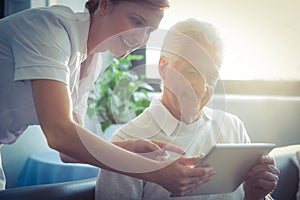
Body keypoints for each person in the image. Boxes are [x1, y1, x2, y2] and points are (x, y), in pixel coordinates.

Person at [0, 0, 209, 195]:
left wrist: (129, 149)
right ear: (105, 4)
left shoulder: (92, 62)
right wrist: (156, 171)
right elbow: (60, 134)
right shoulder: (50, 29)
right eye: (136, 21)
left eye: (150, 31)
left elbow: (70, 151)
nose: (140, 38)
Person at [95, 19, 280, 200]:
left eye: (212, 75)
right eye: (191, 72)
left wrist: (256, 197)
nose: (202, 87)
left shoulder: (233, 127)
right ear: (163, 68)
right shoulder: (126, 142)